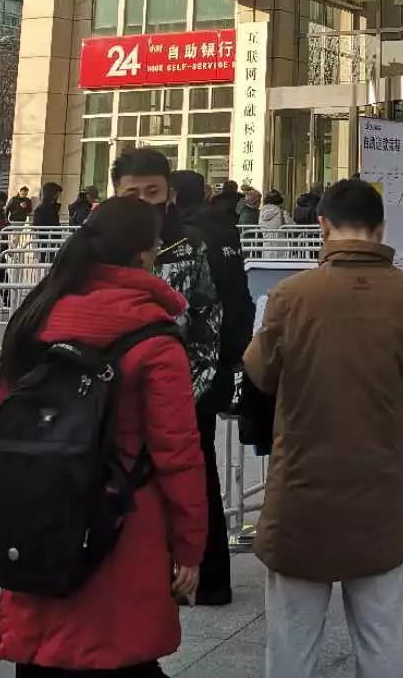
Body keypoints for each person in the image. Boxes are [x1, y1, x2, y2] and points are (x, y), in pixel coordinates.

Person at [0, 194, 207, 677]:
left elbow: (4, 421)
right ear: (144, 255)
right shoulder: (153, 337)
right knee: (118, 655)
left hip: (35, 518)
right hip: (120, 525)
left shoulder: (36, 315)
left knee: (42, 656)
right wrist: (190, 548)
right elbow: (178, 454)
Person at [244, 177, 403, 678]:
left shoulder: (292, 296)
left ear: (322, 226)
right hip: (381, 488)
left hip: (302, 490)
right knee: (381, 638)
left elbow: (261, 371)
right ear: (381, 228)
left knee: (291, 643)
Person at [113, 150, 253, 607]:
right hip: (119, 390)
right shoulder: (100, 246)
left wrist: (194, 388)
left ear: (169, 193)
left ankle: (208, 581)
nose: (143, 201)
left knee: (195, 481)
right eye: (132, 193)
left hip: (186, 389)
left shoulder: (191, 245)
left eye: (152, 191)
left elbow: (209, 319)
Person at [259, 188, 288, 257]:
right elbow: (292, 227)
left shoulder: (261, 212)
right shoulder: (282, 212)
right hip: (280, 246)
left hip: (267, 247)